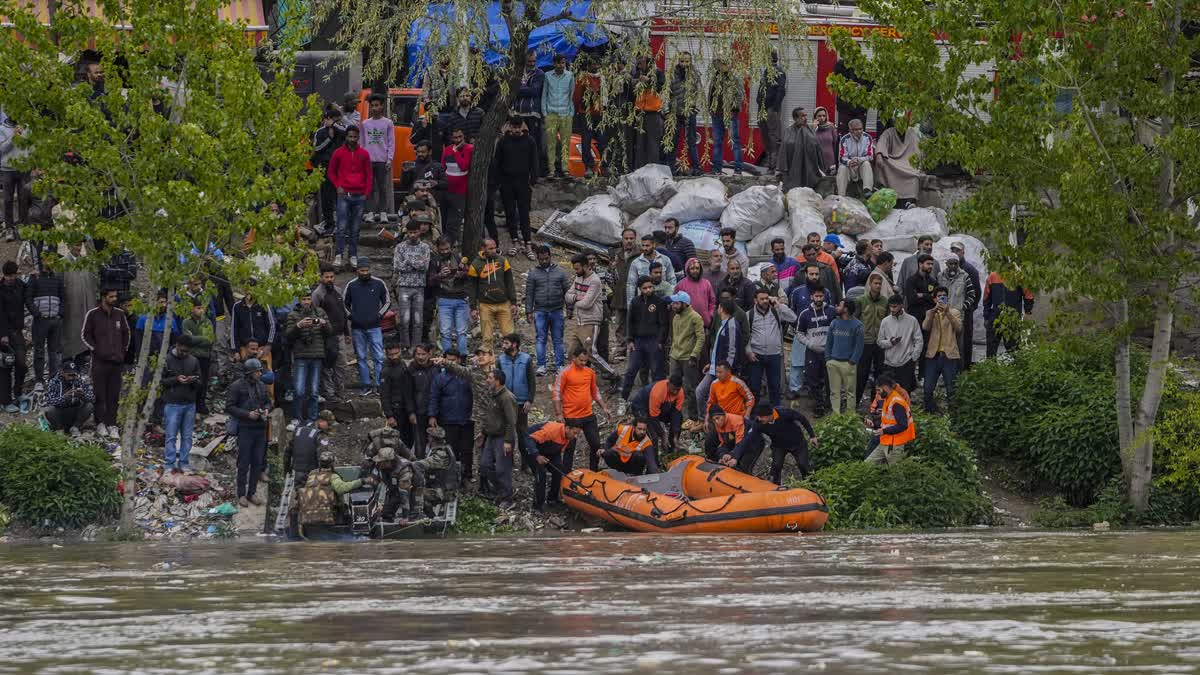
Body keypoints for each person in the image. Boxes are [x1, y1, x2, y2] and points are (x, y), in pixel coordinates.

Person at [81, 288, 129, 441]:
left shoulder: (120, 314)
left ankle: (112, 424)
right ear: (103, 297)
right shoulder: (93, 314)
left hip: (116, 362)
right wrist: (96, 349)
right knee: (99, 394)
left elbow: (126, 333)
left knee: (114, 395)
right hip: (99, 363)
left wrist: (122, 352)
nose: (114, 299)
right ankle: (100, 423)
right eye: (111, 296)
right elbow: (84, 334)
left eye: (115, 296)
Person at [554, 346, 610, 471]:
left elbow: (595, 391)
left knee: (595, 444)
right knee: (570, 447)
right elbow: (557, 393)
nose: (583, 363)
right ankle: (566, 474)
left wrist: (604, 408)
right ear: (574, 358)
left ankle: (593, 471)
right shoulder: (565, 372)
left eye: (585, 361)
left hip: (588, 415)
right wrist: (559, 415)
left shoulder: (589, 372)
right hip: (571, 416)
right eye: (581, 360)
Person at [736, 403, 818, 484]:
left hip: (797, 443)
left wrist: (812, 436)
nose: (759, 419)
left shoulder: (785, 413)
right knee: (776, 466)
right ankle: (775, 485)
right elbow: (747, 438)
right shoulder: (758, 423)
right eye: (758, 417)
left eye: (761, 417)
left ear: (769, 415)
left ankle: (809, 484)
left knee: (803, 464)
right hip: (779, 446)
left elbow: (802, 418)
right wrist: (735, 455)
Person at [285, 288, 331, 429]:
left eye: (308, 299)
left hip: (316, 355)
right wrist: (298, 326)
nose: (306, 302)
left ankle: (312, 418)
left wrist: (323, 323)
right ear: (299, 300)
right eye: (303, 299)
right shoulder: (293, 314)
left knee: (314, 391)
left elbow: (330, 332)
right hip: (300, 356)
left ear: (312, 299)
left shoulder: (320, 312)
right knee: (298, 390)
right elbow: (288, 336)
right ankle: (296, 418)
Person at [227, 358, 271, 506]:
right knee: (244, 462)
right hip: (245, 428)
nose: (260, 373)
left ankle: (252, 493)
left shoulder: (262, 385)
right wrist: (247, 414)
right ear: (249, 373)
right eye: (257, 371)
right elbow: (230, 407)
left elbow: (268, 401)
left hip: (260, 428)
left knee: (257, 462)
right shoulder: (236, 386)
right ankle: (241, 494)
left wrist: (266, 409)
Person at [327, 124, 372, 268]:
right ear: (346, 137)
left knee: (355, 228)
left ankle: (353, 255)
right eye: (350, 136)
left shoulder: (364, 154)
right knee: (341, 226)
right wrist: (337, 186)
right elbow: (331, 172)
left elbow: (369, 174)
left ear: (358, 137)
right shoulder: (338, 153)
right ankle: (339, 254)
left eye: (355, 137)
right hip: (344, 194)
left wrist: (366, 193)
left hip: (359, 195)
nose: (352, 139)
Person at [343, 257, 389, 394]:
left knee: (379, 357)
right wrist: (352, 317)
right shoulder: (351, 285)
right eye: (362, 270)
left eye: (367, 270)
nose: (364, 273)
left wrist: (379, 315)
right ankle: (366, 385)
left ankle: (379, 385)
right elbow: (344, 303)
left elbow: (387, 302)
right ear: (357, 270)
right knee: (361, 357)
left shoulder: (379, 283)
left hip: (375, 326)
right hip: (357, 328)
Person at [428, 349, 475, 483]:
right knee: (451, 450)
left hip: (467, 419)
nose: (451, 363)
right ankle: (452, 476)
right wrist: (432, 415)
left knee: (467, 449)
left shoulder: (467, 376)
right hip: (448, 420)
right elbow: (434, 397)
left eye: (453, 360)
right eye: (448, 360)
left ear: (459, 360)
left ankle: (467, 475)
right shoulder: (440, 378)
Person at [494, 116, 539, 255]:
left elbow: (534, 161)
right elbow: (497, 162)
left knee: (524, 213)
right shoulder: (503, 141)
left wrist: (533, 179)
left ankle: (528, 243)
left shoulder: (530, 141)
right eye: (514, 127)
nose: (516, 130)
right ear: (509, 127)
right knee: (510, 212)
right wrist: (499, 181)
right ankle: (514, 241)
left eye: (518, 127)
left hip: (523, 181)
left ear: (522, 127)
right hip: (507, 182)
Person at [745, 287, 796, 408]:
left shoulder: (776, 311)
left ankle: (776, 410)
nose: (765, 301)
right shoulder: (749, 315)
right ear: (755, 300)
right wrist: (748, 352)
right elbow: (745, 336)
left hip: (774, 354)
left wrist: (779, 305)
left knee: (774, 385)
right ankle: (755, 411)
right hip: (756, 355)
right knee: (754, 386)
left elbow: (793, 318)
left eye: (766, 298)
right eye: (761, 299)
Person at [564, 253, 614, 377]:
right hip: (579, 321)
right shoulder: (578, 277)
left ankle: (613, 374)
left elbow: (586, 303)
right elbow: (567, 296)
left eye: (577, 268)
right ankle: (577, 377)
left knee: (591, 353)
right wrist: (577, 297)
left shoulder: (595, 280)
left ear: (585, 266)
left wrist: (574, 299)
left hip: (591, 321)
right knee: (571, 353)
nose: (576, 271)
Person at [524, 245, 570, 375]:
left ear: (550, 256)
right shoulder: (533, 274)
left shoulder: (560, 272)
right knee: (540, 339)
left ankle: (560, 366)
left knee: (558, 339)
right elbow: (529, 294)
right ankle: (541, 366)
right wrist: (528, 311)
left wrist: (570, 308)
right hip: (540, 311)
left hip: (557, 310)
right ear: (537, 259)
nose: (544, 261)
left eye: (546, 258)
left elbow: (567, 291)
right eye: (541, 259)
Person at [622, 275, 669, 400]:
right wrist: (630, 340)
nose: (648, 290)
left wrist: (660, 341)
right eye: (645, 288)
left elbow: (664, 324)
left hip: (654, 340)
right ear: (639, 289)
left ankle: (658, 400)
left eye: (650, 287)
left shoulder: (659, 301)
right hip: (638, 341)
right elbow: (630, 322)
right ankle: (623, 398)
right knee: (631, 370)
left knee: (656, 371)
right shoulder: (635, 302)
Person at [294, 449, 362, 535]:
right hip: (327, 516)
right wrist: (360, 481)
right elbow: (342, 488)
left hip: (307, 518)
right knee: (345, 509)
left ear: (320, 463)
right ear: (332, 463)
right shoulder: (332, 476)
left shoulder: (312, 475)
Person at [478, 368, 518, 509]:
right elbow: (490, 416)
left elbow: (511, 421)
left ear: (498, 381)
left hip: (503, 438)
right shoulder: (492, 394)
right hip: (491, 436)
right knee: (484, 465)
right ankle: (502, 490)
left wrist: (508, 441)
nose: (487, 380)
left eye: (490, 378)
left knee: (502, 469)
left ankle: (507, 498)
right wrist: (483, 433)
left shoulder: (507, 397)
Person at [468, 238, 517, 348]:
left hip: (504, 303)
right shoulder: (475, 265)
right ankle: (488, 364)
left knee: (509, 337)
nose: (494, 250)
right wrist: (473, 307)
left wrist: (513, 302)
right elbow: (472, 287)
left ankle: (512, 362)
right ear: (483, 248)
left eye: (495, 248)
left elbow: (510, 282)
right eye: (490, 248)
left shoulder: (503, 261)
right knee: (487, 338)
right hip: (485, 305)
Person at [161, 336, 200, 469]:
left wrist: (193, 381)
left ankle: (184, 463)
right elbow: (161, 381)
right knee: (171, 436)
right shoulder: (166, 359)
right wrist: (176, 379)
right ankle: (169, 464)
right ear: (176, 345)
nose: (184, 354)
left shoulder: (193, 361)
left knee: (187, 437)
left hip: (189, 404)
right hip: (172, 403)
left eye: (187, 352)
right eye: (182, 351)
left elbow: (200, 382)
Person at [391, 221, 432, 350]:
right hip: (403, 286)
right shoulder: (400, 247)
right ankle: (405, 345)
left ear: (419, 232)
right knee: (405, 319)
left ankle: (416, 346)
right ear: (406, 232)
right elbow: (397, 266)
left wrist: (408, 260)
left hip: (419, 286)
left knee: (418, 320)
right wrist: (416, 263)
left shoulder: (425, 247)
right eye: (410, 233)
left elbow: (424, 267)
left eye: (415, 232)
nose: (413, 235)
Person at [497, 333, 536, 465]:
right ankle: (509, 462)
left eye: (506, 343)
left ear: (514, 345)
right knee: (507, 433)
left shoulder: (526, 359)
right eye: (503, 343)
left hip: (521, 403)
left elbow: (532, 381)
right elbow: (498, 381)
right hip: (505, 402)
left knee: (523, 434)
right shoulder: (501, 360)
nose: (503, 346)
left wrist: (529, 400)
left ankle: (525, 463)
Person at [922, 286, 962, 413]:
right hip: (933, 355)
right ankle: (931, 413)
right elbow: (925, 327)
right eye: (939, 296)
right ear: (935, 299)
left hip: (949, 355)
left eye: (944, 296)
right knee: (927, 389)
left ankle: (952, 416)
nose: (941, 298)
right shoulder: (930, 313)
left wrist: (947, 312)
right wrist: (934, 311)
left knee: (951, 389)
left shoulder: (955, 312)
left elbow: (959, 328)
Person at [796, 285, 835, 415]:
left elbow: (836, 329)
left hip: (829, 352)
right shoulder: (805, 314)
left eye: (821, 296)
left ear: (824, 296)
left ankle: (830, 403)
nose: (818, 298)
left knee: (830, 379)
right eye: (816, 296)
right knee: (812, 379)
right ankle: (819, 405)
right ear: (811, 297)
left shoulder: (831, 311)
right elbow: (799, 333)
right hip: (812, 351)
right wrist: (810, 344)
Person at [668, 291, 705, 427]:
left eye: (676, 303)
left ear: (685, 304)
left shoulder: (695, 317)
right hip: (675, 356)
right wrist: (672, 352)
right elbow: (674, 336)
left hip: (688, 357)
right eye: (673, 303)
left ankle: (693, 417)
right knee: (672, 385)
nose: (673, 305)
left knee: (690, 388)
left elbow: (701, 338)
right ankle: (671, 414)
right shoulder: (676, 317)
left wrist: (694, 355)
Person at [313, 266, 349, 400]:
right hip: (325, 336)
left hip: (339, 334)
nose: (329, 279)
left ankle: (340, 390)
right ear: (321, 277)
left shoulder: (338, 291)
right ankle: (329, 392)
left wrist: (347, 332)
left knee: (341, 364)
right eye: (326, 277)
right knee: (328, 364)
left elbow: (343, 313)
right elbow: (314, 316)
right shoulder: (317, 294)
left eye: (331, 277)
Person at [526, 420, 580, 511]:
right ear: (567, 428)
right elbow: (530, 439)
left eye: (577, 433)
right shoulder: (551, 431)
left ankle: (552, 499)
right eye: (574, 433)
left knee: (558, 471)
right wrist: (537, 455)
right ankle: (538, 505)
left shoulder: (568, 437)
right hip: (533, 448)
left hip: (550, 450)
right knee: (541, 474)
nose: (576, 436)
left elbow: (559, 450)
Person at [854, 272, 890, 403]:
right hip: (865, 341)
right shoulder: (861, 300)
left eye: (880, 284)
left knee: (879, 373)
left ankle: (876, 402)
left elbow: (887, 320)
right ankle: (856, 402)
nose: (878, 286)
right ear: (870, 284)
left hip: (880, 342)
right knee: (862, 373)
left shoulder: (885, 301)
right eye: (875, 283)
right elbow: (855, 320)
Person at [864, 374, 915, 464]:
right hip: (886, 440)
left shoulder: (896, 402)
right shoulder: (889, 398)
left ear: (885, 387)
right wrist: (875, 425)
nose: (878, 393)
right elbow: (888, 422)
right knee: (867, 465)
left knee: (896, 473)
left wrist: (884, 431)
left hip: (894, 444)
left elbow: (903, 425)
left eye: (879, 390)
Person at [360, 93, 395, 224]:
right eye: (372, 105)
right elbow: (362, 143)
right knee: (369, 187)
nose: (374, 108)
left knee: (382, 187)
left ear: (382, 106)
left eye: (377, 105)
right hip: (368, 160)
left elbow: (391, 142)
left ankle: (383, 212)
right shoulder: (365, 124)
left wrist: (389, 158)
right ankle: (369, 212)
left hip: (382, 160)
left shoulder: (388, 123)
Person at [982, 271, 1035, 357]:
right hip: (995, 318)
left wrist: (1028, 312)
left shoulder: (1018, 275)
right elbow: (986, 298)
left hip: (1012, 319)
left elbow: (1028, 294)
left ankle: (1019, 368)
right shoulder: (993, 276)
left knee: (1014, 351)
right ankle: (992, 369)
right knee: (991, 352)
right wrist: (986, 316)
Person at [825, 298, 864, 415]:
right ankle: (835, 416)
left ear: (846, 309)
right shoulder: (834, 323)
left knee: (850, 392)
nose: (837, 307)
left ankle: (850, 416)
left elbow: (859, 346)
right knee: (834, 392)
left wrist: (852, 361)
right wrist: (828, 359)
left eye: (840, 305)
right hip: (833, 362)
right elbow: (829, 342)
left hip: (848, 363)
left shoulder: (857, 325)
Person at [877, 294, 923, 392]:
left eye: (895, 306)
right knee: (888, 392)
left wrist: (913, 357)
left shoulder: (912, 320)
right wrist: (890, 342)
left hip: (906, 362)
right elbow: (880, 341)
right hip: (889, 362)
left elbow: (919, 340)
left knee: (905, 392)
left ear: (901, 305)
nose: (892, 309)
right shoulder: (885, 321)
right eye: (890, 306)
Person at [947, 241, 982, 368]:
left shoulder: (969, 270)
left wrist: (968, 308)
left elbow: (976, 293)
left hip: (965, 313)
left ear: (963, 252)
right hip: (949, 312)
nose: (955, 253)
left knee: (965, 341)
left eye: (957, 250)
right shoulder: (946, 271)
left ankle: (965, 369)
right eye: (953, 250)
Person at [873, 116, 923, 203]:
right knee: (883, 162)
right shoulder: (889, 132)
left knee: (914, 175)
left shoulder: (912, 132)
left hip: (908, 164)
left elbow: (918, 150)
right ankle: (888, 197)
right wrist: (879, 154)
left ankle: (910, 201)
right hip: (892, 163)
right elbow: (882, 142)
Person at [707, 58, 744, 174]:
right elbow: (711, 93)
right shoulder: (715, 77)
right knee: (717, 142)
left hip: (730, 114)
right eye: (718, 64)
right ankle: (716, 169)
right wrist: (710, 108)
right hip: (717, 114)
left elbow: (739, 95)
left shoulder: (734, 77)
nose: (720, 66)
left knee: (735, 142)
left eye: (722, 64)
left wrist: (734, 108)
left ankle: (738, 170)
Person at [668, 51, 702, 175]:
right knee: (673, 141)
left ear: (690, 62)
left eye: (687, 61)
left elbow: (699, 92)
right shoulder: (672, 74)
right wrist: (668, 110)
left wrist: (695, 108)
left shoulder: (694, 75)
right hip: (675, 113)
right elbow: (667, 92)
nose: (684, 64)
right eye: (682, 61)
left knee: (691, 141)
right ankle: (671, 167)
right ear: (678, 61)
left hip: (689, 112)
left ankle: (696, 168)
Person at [541, 55, 575, 177]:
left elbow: (572, 94)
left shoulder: (570, 76)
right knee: (551, 143)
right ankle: (552, 170)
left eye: (563, 63)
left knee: (566, 143)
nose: (561, 65)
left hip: (566, 114)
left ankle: (565, 169)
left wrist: (571, 113)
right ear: (554, 63)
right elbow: (544, 94)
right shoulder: (547, 76)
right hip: (551, 114)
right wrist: (545, 113)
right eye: (559, 63)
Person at [904, 254, 939, 372]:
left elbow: (936, 300)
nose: (930, 266)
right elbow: (912, 299)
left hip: (928, 318)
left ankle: (923, 374)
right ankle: (911, 375)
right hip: (914, 318)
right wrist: (927, 296)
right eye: (928, 264)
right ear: (920, 264)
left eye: (932, 264)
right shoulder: (911, 280)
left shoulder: (933, 281)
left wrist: (922, 295)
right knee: (913, 346)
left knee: (926, 346)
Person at [630, 56, 666, 170]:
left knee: (653, 143)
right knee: (640, 143)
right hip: (640, 112)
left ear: (648, 64)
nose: (639, 66)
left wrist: (648, 81)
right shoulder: (638, 73)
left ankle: (653, 169)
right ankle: (639, 169)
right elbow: (632, 90)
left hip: (653, 112)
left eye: (641, 63)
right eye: (638, 63)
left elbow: (661, 87)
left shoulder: (658, 73)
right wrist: (636, 82)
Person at [379, 341, 416, 449]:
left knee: (410, 438)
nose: (394, 357)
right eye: (391, 354)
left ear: (400, 351)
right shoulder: (386, 371)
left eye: (396, 353)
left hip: (407, 408)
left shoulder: (402, 364)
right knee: (399, 441)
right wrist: (389, 415)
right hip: (396, 410)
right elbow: (384, 395)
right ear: (387, 354)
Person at [284, 412, 337, 487]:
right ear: (321, 421)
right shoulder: (320, 435)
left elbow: (287, 452)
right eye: (329, 424)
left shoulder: (298, 430)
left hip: (296, 473)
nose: (329, 427)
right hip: (311, 474)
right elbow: (323, 457)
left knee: (300, 496)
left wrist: (286, 471)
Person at [516, 50, 546, 177]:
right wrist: (521, 89)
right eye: (529, 61)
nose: (532, 63)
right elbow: (512, 89)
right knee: (518, 145)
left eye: (534, 61)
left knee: (533, 143)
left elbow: (534, 91)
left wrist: (519, 89)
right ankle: (522, 170)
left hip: (533, 113)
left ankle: (535, 172)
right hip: (518, 112)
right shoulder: (518, 72)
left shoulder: (539, 73)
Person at [42, 361, 94, 437]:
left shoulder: (79, 380)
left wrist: (83, 396)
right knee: (50, 410)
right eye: (70, 375)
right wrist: (64, 397)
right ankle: (59, 429)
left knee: (89, 406)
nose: (72, 377)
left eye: (74, 375)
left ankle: (75, 427)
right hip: (59, 413)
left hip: (75, 412)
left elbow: (92, 398)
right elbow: (49, 401)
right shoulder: (54, 382)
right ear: (62, 372)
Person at [0, 261, 26, 411]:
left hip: (17, 331)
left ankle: (18, 392)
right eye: (8, 276)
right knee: (5, 367)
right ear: (4, 275)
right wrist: (3, 334)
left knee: (21, 364)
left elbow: (29, 291)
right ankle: (6, 401)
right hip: (4, 332)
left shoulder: (20, 285)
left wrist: (35, 277)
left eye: (13, 275)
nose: (11, 278)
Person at [440, 126, 473, 244]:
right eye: (455, 137)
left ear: (464, 137)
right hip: (446, 190)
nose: (458, 140)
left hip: (459, 192)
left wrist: (456, 152)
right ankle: (445, 245)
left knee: (454, 223)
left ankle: (452, 244)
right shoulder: (447, 149)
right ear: (451, 138)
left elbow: (464, 166)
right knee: (444, 220)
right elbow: (442, 168)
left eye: (460, 137)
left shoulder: (469, 148)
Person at [574, 56, 605, 178]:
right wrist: (578, 110)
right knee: (586, 141)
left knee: (603, 141)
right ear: (588, 65)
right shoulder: (583, 78)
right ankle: (588, 166)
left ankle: (604, 166)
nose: (596, 66)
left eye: (597, 64)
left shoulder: (604, 77)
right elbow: (577, 96)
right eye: (593, 64)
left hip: (601, 113)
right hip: (586, 113)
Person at [778, 106, 823, 190]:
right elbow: (785, 148)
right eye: (802, 116)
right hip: (792, 168)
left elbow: (815, 145)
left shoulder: (809, 129)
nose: (805, 118)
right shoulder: (789, 131)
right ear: (795, 118)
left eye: (806, 115)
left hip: (808, 166)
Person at [625, 234, 675, 307]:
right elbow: (631, 285)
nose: (645, 248)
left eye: (647, 246)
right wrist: (630, 306)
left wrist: (671, 302)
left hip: (663, 304)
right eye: (643, 245)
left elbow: (672, 280)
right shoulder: (636, 263)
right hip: (644, 304)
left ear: (654, 245)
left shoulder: (665, 260)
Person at [756, 51, 787, 169]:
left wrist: (775, 107)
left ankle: (773, 164)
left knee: (773, 135)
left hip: (770, 108)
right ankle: (770, 160)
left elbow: (781, 91)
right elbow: (761, 89)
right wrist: (758, 102)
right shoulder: (766, 71)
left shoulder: (779, 72)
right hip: (763, 108)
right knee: (765, 134)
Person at [704, 360, 755, 429]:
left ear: (728, 371)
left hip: (738, 418)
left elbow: (750, 398)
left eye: (720, 372)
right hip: (722, 419)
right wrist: (706, 420)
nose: (717, 375)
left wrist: (747, 416)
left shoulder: (737, 382)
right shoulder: (714, 384)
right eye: (716, 372)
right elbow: (711, 403)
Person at [673, 257, 716, 329]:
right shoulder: (681, 284)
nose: (695, 271)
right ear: (688, 270)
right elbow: (675, 303)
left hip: (704, 323)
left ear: (700, 269)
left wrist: (710, 315)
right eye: (692, 268)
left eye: (697, 268)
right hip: (687, 325)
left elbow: (712, 302)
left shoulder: (706, 283)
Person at [836, 118, 875, 196]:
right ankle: (841, 195)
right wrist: (849, 162)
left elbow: (870, 156)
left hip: (861, 166)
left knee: (866, 164)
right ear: (850, 130)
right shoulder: (845, 139)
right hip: (849, 167)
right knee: (842, 168)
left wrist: (859, 160)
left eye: (860, 129)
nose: (859, 131)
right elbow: (841, 158)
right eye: (856, 129)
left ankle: (867, 190)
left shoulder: (867, 137)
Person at [811, 106, 839, 175]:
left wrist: (836, 161)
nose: (822, 118)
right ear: (815, 117)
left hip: (830, 158)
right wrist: (814, 129)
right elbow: (810, 142)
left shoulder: (831, 127)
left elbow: (835, 144)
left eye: (824, 115)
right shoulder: (812, 128)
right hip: (817, 159)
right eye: (819, 116)